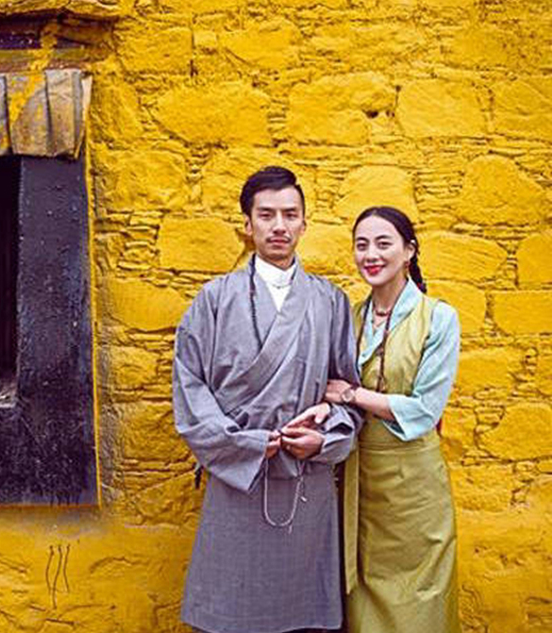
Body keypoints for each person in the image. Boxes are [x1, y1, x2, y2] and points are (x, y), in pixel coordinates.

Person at [172, 165, 362, 633]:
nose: (279, 226)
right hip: (238, 471)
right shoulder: (214, 299)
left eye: (290, 215)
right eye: (267, 215)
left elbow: (347, 391)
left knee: (304, 614)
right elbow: (189, 385)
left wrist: (325, 439)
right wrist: (244, 442)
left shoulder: (330, 301)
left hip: (305, 477)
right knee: (230, 610)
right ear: (248, 224)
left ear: (304, 224)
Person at [295, 206, 461, 632]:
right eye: (361, 244)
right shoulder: (351, 317)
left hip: (415, 487)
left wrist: (352, 394)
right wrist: (326, 408)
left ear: (409, 251)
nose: (371, 254)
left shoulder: (438, 318)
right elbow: (335, 391)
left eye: (383, 243)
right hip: (357, 480)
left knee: (419, 597)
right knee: (361, 588)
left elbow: (425, 409)